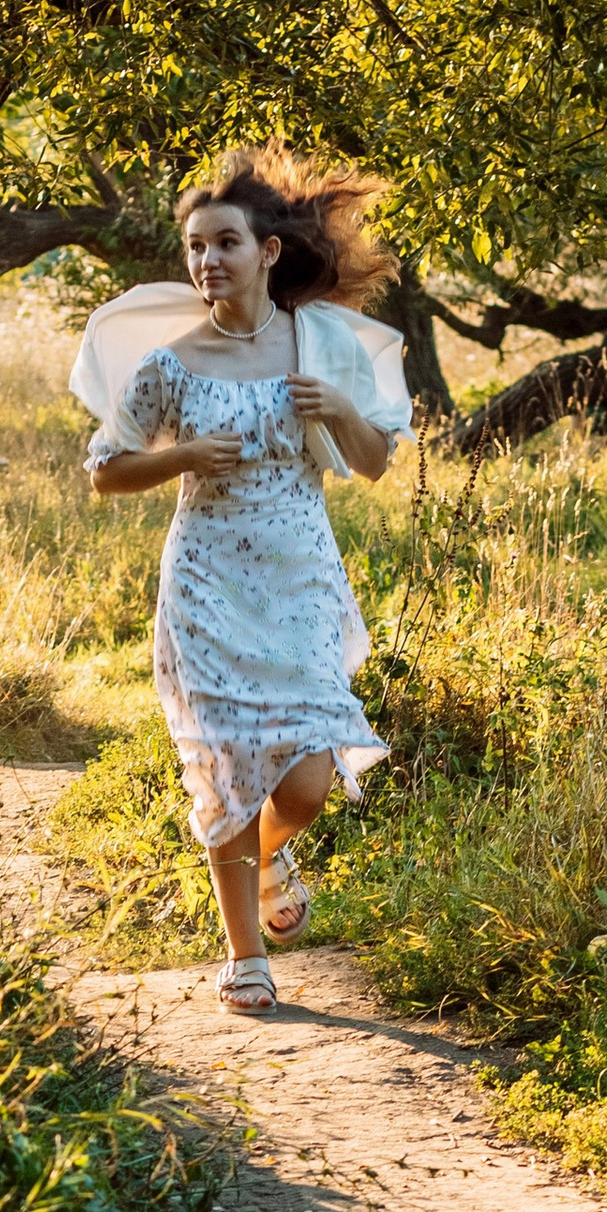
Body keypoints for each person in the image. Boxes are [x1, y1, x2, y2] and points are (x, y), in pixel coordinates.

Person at [74, 147, 412, 1015]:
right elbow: (106, 471)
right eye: (193, 247)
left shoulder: (320, 343)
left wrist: (337, 408)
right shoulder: (170, 362)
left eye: (224, 242)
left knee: (308, 779)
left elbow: (372, 465)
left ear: (268, 252)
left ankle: (266, 856)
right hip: (207, 581)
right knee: (225, 774)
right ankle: (245, 956)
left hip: (298, 575)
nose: (205, 261)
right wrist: (181, 455)